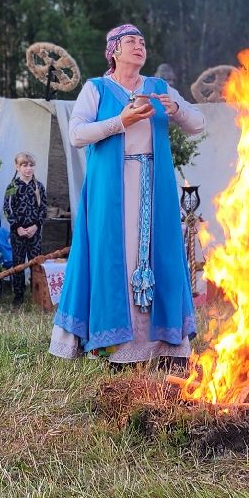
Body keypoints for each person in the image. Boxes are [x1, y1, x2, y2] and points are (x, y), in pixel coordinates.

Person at [51, 24, 204, 367]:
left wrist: (177, 110)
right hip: (112, 190)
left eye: (142, 41)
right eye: (130, 41)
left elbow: (198, 124)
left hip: (156, 186)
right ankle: (113, 347)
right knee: (113, 257)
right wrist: (119, 121)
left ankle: (167, 347)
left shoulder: (159, 88)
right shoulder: (97, 89)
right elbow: (76, 134)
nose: (139, 46)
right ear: (114, 51)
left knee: (158, 256)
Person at [3, 151, 48, 306]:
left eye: (31, 165)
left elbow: (43, 209)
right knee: (19, 264)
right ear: (17, 167)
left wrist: (36, 226)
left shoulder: (38, 187)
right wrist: (18, 227)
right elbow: (7, 209)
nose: (28, 169)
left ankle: (36, 293)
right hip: (18, 233)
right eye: (24, 165)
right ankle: (18, 295)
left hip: (34, 233)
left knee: (36, 263)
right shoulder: (13, 187)